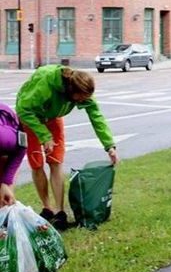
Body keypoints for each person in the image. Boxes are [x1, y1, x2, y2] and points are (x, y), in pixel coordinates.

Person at [16, 65, 118, 230]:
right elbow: (23, 109)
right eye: (80, 98)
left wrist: (109, 146)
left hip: (53, 116)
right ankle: (47, 208)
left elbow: (96, 116)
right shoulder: (46, 84)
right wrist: (44, 136)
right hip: (31, 117)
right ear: (71, 90)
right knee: (37, 163)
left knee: (55, 161)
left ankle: (60, 212)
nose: (83, 101)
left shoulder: (82, 91)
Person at [0, 103, 26, 207]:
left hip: (10, 127)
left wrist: (6, 182)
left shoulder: (5, 138)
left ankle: (6, 210)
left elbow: (22, 144)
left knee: (4, 190)